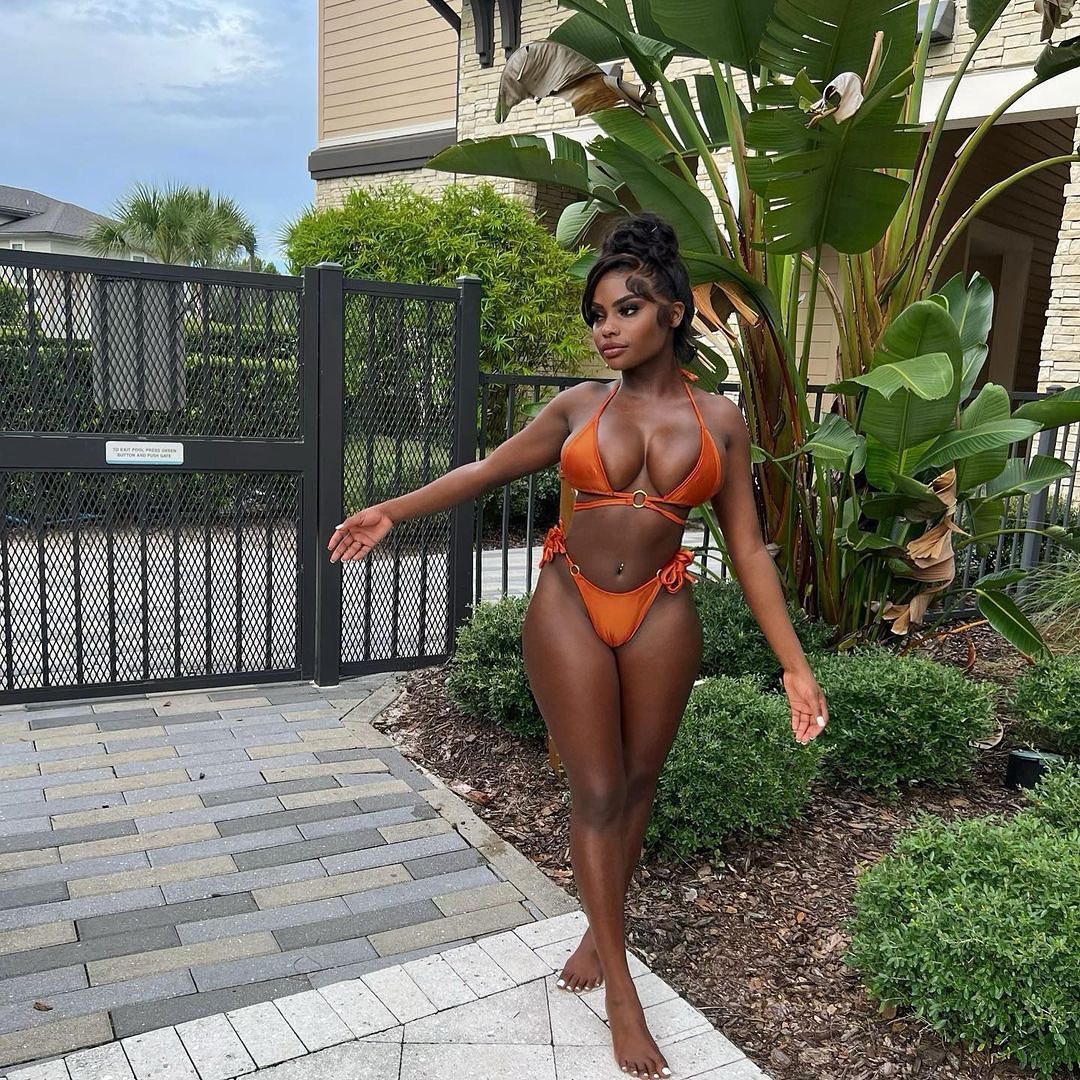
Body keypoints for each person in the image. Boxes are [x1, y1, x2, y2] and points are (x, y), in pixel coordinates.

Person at [329, 212, 829, 1080]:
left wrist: (794, 664)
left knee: (638, 784)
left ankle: (600, 934)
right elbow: (486, 470)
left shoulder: (721, 420)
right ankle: (622, 990)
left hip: (662, 608)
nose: (606, 328)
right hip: (569, 600)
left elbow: (749, 550)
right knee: (596, 788)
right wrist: (390, 511)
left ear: (673, 312)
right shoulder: (578, 406)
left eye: (626, 309)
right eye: (597, 314)